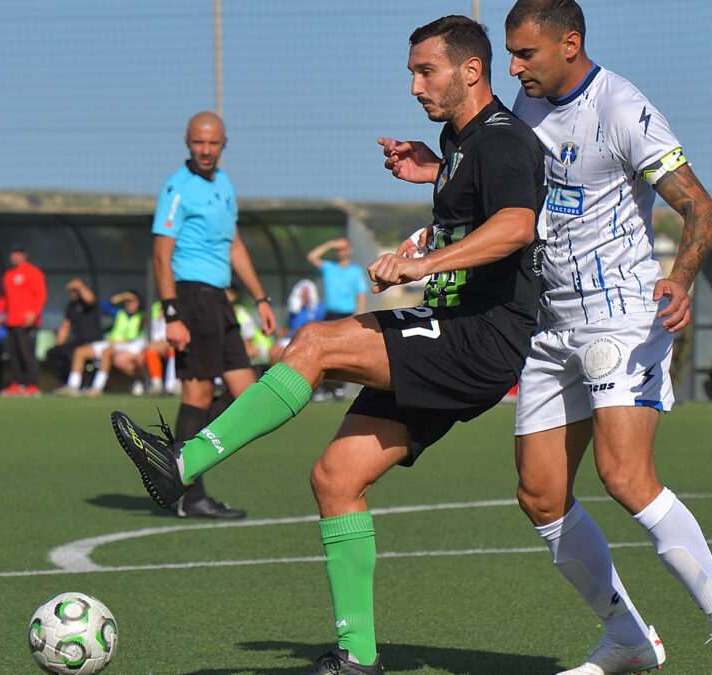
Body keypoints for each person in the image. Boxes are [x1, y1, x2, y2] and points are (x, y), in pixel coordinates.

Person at [111, 16, 545, 673]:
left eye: (425, 72)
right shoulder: (458, 140)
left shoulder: (504, 138)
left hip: (478, 335)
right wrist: (432, 180)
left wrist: (422, 265)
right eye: (412, 73)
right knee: (335, 478)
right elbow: (475, 207)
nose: (415, 86)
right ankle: (358, 657)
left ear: (471, 70)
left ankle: (184, 463)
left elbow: (516, 224)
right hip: (455, 330)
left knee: (313, 342)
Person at [381, 2, 712, 672]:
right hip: (548, 320)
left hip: (620, 315)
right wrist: (435, 169)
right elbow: (508, 198)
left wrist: (679, 276)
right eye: (510, 53)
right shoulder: (524, 107)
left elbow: (701, 208)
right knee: (540, 494)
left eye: (525, 53)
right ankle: (629, 640)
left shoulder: (621, 108)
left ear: (570, 44)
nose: (513, 67)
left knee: (625, 476)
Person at [146, 110, 278, 520]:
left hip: (220, 300)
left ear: (224, 144)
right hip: (190, 298)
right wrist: (172, 315)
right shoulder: (177, 188)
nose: (206, 149)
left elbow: (234, 246)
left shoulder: (223, 184)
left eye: (213, 142)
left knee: (248, 395)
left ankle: (175, 460)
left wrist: (261, 298)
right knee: (197, 396)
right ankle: (191, 494)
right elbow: (161, 255)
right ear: (188, 142)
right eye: (199, 142)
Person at [307, 238, 369, 401]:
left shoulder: (356, 271)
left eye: (343, 249)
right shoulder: (329, 268)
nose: (340, 252)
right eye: (338, 249)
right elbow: (312, 257)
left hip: (347, 315)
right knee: (325, 351)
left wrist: (359, 316)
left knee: (345, 352)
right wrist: (330, 244)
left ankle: (339, 387)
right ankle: (324, 387)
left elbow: (361, 294)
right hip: (330, 315)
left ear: (350, 250)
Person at [53, 291, 144, 398]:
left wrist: (125, 341)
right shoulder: (120, 313)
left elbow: (143, 335)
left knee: (107, 353)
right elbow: (104, 305)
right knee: (80, 352)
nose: (129, 304)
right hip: (112, 343)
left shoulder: (142, 316)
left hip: (129, 346)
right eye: (127, 302)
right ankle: (73, 386)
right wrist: (123, 296)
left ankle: (97, 387)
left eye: (132, 301)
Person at [0, 242, 46, 397]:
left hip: (27, 322)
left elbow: (41, 295)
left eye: (18, 253)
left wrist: (34, 313)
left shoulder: (33, 272)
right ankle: (17, 383)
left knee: (27, 354)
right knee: (13, 354)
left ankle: (33, 385)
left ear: (24, 255)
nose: (15, 256)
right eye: (13, 253)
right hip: (11, 321)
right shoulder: (8, 274)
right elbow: (4, 298)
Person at [45, 278, 103, 386]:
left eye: (75, 291)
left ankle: (79, 385)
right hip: (79, 341)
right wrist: (59, 344)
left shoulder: (89, 304)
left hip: (93, 342)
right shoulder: (70, 306)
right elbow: (65, 327)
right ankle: (65, 383)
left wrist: (79, 285)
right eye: (71, 291)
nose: (73, 293)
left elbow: (90, 298)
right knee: (53, 353)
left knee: (74, 354)